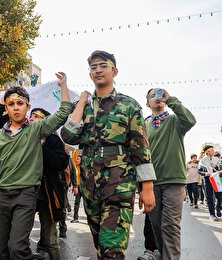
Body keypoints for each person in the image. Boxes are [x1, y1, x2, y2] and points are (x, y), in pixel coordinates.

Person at [0, 73, 71, 260]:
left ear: (27, 107)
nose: (15, 108)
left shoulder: (36, 129)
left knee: (17, 248)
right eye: (11, 104)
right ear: (6, 109)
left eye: (20, 103)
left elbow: (63, 114)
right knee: (3, 249)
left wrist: (63, 86)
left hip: (26, 195)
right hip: (1, 196)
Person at [60, 50, 156, 259]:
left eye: (103, 65)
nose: (98, 70)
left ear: (114, 70)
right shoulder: (83, 106)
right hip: (90, 184)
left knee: (112, 248)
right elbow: (68, 136)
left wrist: (147, 186)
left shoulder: (128, 105)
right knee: (100, 245)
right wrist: (82, 103)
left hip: (119, 183)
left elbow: (140, 147)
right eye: (93, 67)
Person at [145, 87, 196, 259]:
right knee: (156, 225)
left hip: (174, 181)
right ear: (147, 103)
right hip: (151, 183)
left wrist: (172, 99)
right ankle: (164, 254)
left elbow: (190, 120)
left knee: (171, 225)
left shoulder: (176, 120)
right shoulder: (144, 126)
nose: (157, 97)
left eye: (160, 95)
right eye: (152, 96)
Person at [29, 108, 69, 260]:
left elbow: (61, 162)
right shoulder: (24, 135)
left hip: (46, 194)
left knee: (50, 237)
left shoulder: (53, 140)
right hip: (27, 191)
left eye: (37, 116)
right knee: (19, 233)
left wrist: (41, 147)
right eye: (31, 116)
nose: (32, 119)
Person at [198, 145, 221, 221]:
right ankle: (212, 215)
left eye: (213, 150)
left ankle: (218, 209)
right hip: (208, 179)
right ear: (207, 152)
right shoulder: (203, 160)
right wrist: (205, 174)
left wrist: (215, 167)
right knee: (210, 197)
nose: (213, 151)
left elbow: (219, 169)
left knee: (219, 196)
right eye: (211, 150)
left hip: (216, 178)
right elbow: (199, 171)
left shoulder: (216, 159)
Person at [70, 150, 82, 223]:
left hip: (84, 187)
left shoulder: (83, 167)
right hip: (77, 186)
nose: (77, 160)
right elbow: (73, 177)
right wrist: (74, 187)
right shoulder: (75, 168)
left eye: (79, 158)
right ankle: (75, 218)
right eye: (76, 158)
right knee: (77, 202)